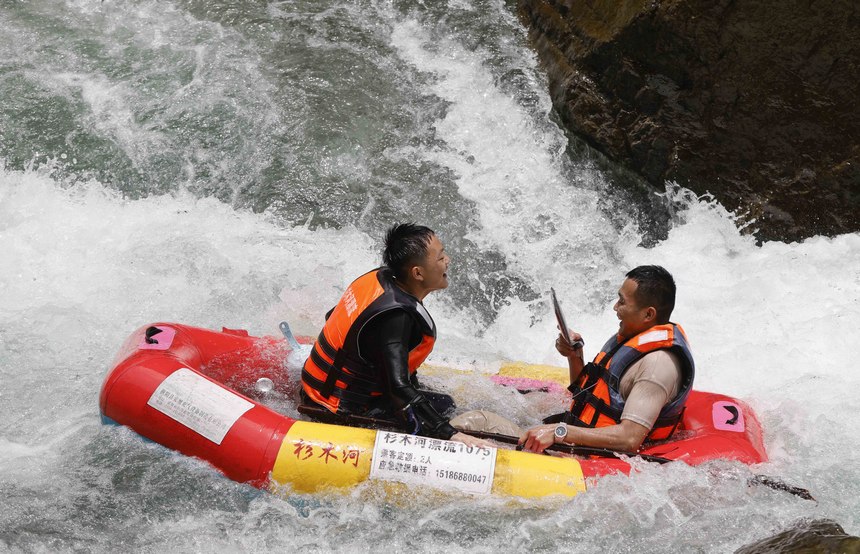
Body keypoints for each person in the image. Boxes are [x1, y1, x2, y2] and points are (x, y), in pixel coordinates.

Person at [453, 265, 694, 454]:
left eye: (622, 301)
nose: (615, 307)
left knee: (472, 422)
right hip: (577, 440)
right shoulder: (632, 335)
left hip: (587, 458)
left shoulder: (657, 366)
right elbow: (588, 398)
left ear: (648, 314)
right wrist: (574, 356)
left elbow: (629, 439)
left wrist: (559, 432)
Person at [300, 223, 488, 447]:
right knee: (444, 405)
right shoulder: (397, 317)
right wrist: (450, 434)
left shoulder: (378, 278)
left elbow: (332, 316)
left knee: (432, 399)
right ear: (417, 273)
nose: (447, 260)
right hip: (337, 409)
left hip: (314, 389)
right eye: (440, 258)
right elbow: (398, 387)